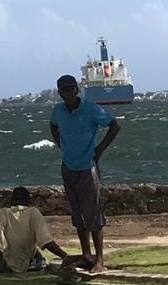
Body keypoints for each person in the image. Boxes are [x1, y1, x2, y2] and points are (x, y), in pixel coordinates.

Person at [51, 74, 120, 273]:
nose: (69, 92)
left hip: (88, 167)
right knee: (78, 215)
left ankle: (99, 259)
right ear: (60, 93)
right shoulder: (58, 111)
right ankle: (86, 254)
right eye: (65, 89)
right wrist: (60, 144)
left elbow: (114, 126)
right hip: (68, 167)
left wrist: (100, 150)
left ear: (77, 89)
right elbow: (53, 125)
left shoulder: (91, 109)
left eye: (72, 88)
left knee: (94, 214)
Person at [0, 186, 71, 275]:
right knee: (39, 257)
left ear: (12, 201)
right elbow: (46, 241)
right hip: (27, 261)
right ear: (28, 201)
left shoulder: (3, 213)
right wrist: (65, 256)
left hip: (7, 262)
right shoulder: (33, 213)